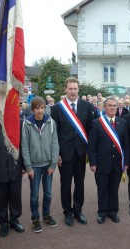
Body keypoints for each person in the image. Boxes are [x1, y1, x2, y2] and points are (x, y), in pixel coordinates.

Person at [51, 77, 93, 227]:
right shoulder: (57, 108)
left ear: (78, 89)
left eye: (75, 89)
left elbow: (89, 130)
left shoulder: (87, 106)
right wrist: (56, 153)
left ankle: (78, 210)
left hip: (81, 153)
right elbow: (53, 133)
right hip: (65, 154)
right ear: (65, 89)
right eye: (70, 89)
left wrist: (89, 151)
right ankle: (67, 212)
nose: (73, 91)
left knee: (80, 184)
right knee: (66, 184)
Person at [88, 97, 130, 224]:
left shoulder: (123, 123)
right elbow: (92, 145)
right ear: (105, 107)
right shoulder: (96, 123)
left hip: (117, 163)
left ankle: (113, 212)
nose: (112, 108)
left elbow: (126, 144)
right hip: (101, 163)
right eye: (110, 105)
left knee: (114, 189)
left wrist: (126, 162)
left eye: (114, 106)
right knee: (102, 189)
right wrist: (93, 163)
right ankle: (102, 213)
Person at [22, 97, 59, 233]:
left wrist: (53, 164)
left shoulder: (51, 122)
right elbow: (25, 146)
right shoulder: (27, 124)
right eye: (37, 108)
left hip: (48, 164)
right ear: (33, 109)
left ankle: (46, 215)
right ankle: (35, 218)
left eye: (42, 107)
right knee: (35, 195)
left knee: (48, 193)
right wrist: (29, 167)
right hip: (35, 166)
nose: (40, 111)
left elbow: (55, 143)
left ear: (45, 108)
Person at [0, 117, 25, 237]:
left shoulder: (18, 121)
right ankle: (3, 223)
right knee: (0, 197)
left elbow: (23, 144)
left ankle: (14, 219)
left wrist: (23, 164)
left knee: (15, 195)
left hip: (15, 165)